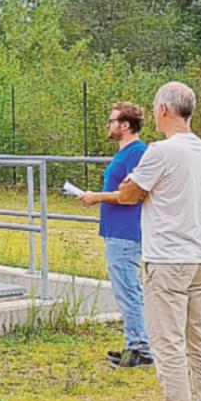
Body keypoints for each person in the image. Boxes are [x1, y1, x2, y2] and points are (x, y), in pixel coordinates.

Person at [103, 82, 201, 401]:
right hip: (200, 256)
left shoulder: (160, 152)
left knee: (168, 344)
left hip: (168, 259)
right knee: (199, 341)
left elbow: (128, 194)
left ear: (164, 110)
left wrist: (134, 186)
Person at [76, 102, 151, 368]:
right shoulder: (124, 154)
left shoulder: (137, 153)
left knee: (128, 289)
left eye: (112, 120)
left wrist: (96, 197)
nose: (109, 125)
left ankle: (140, 347)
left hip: (126, 232)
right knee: (127, 289)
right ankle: (137, 342)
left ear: (125, 125)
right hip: (115, 230)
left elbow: (130, 195)